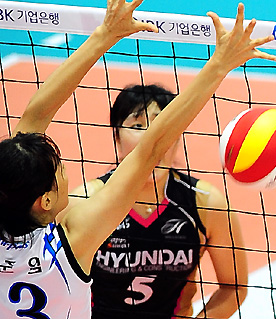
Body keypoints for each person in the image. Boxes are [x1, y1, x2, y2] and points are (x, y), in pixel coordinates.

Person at [0, 0, 276, 319]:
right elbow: (152, 148)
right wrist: (219, 65)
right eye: (60, 172)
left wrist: (104, 35)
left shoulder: (21, 207)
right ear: (47, 200)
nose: (66, 172)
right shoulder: (74, 237)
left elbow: (33, 120)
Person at [63, 83, 248, 319]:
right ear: (116, 136)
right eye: (137, 126)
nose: (151, 137)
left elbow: (234, 288)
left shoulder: (206, 203)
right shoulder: (82, 203)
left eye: (162, 124)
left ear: (177, 136)